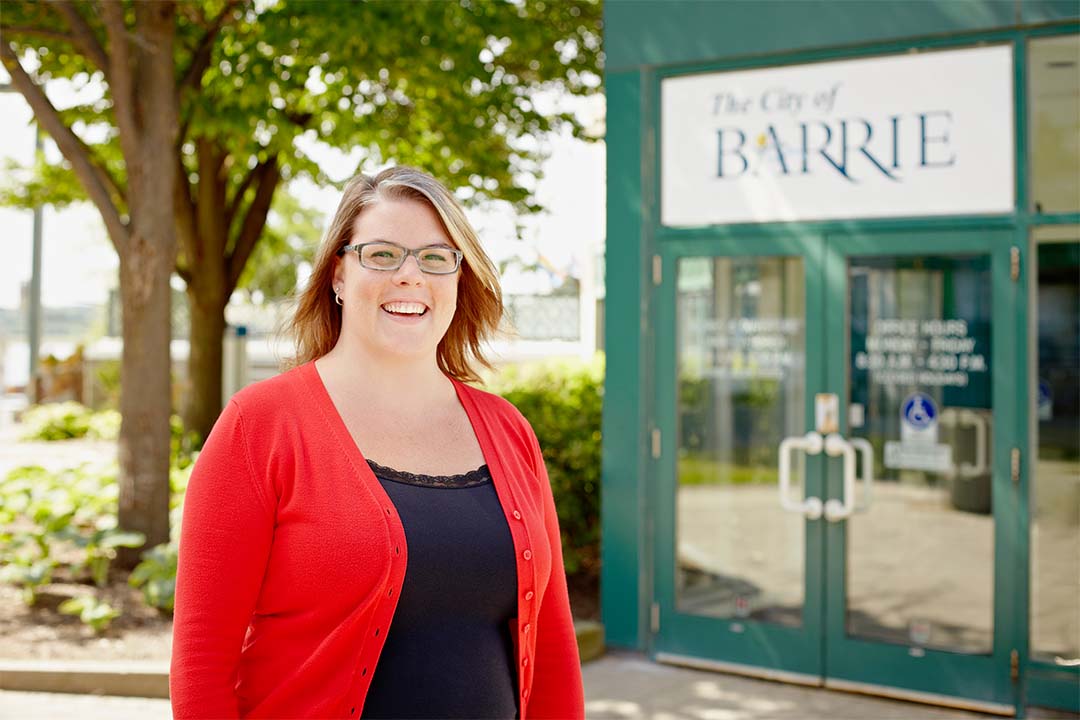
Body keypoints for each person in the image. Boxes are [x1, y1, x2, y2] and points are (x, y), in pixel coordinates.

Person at [170, 166, 585, 719]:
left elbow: (554, 652)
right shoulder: (261, 426)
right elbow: (202, 664)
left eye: (436, 257)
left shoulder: (509, 431)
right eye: (383, 254)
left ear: (460, 281)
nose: (411, 276)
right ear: (338, 273)